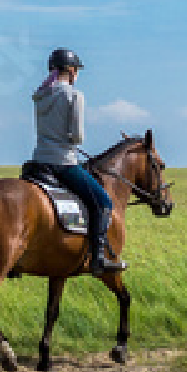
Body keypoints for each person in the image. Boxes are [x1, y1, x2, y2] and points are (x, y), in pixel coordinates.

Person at [30, 48, 126, 276]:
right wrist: (71, 141)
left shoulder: (40, 95)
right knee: (103, 202)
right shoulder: (74, 96)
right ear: (72, 71)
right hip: (63, 163)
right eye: (77, 71)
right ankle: (98, 258)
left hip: (38, 161)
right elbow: (77, 136)